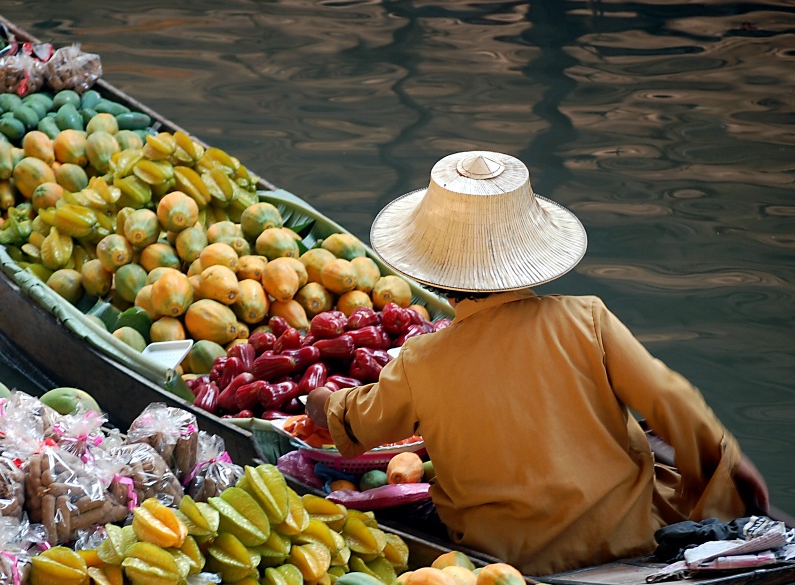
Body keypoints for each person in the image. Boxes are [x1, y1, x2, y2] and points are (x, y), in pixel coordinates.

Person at [305, 150, 770, 576]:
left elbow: (356, 425)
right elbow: (671, 399)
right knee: (662, 452)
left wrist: (321, 401)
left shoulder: (420, 360)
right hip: (626, 535)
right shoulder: (587, 316)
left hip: (510, 557)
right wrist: (730, 457)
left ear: (435, 274)